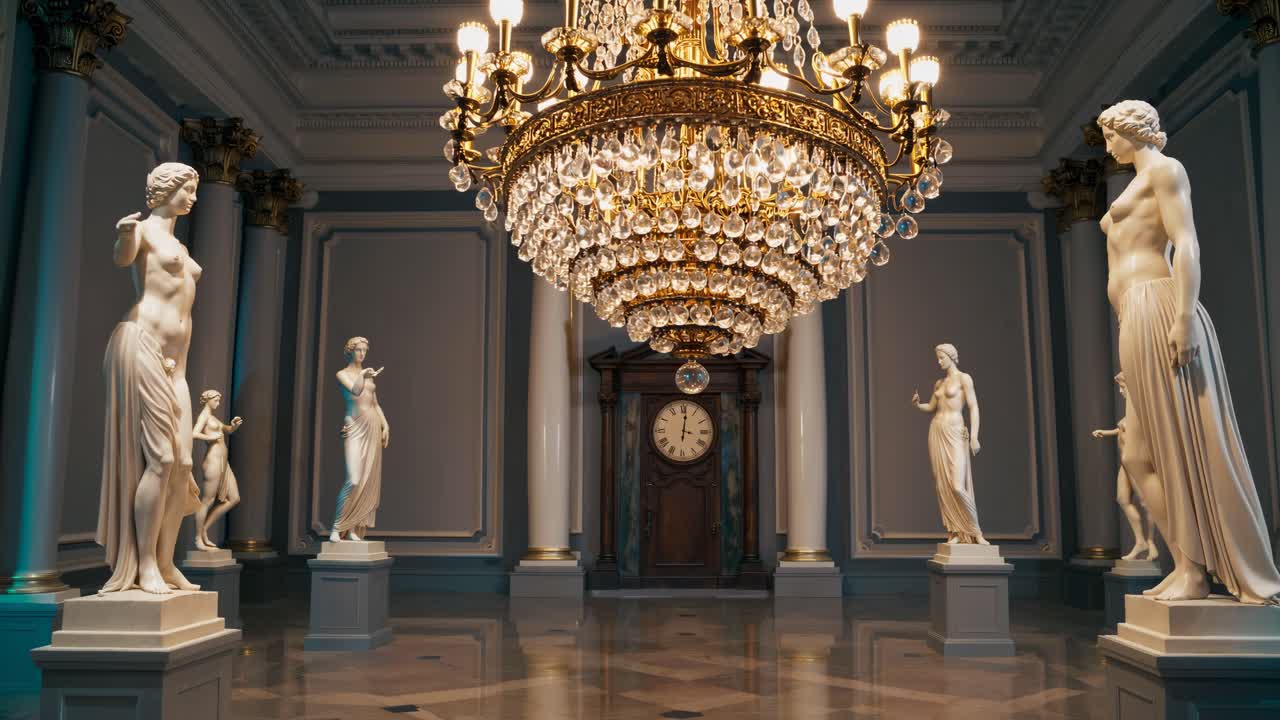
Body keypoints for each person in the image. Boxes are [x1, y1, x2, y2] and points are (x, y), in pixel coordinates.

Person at [1099, 99, 1280, 603]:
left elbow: (1186, 242)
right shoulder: (1137, 180)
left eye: (1111, 134)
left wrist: (1183, 317)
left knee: (1174, 443)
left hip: (1158, 306)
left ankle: (1195, 570)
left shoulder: (1165, 170)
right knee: (1138, 455)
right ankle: (1186, 564)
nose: (1107, 144)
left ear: (1133, 129)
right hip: (1132, 317)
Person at [98, 163, 203, 594]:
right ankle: (143, 565)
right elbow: (123, 257)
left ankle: (165, 561)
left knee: (183, 465)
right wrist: (125, 233)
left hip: (178, 364)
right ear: (164, 189)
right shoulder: (143, 231)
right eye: (186, 189)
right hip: (143, 345)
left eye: (195, 190)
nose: (192, 197)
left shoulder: (179, 243)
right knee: (160, 459)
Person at [912, 343, 988, 545]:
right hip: (937, 431)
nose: (939, 362)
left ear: (951, 356)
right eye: (937, 358)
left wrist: (974, 436)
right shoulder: (939, 383)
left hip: (955, 432)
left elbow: (973, 407)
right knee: (942, 485)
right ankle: (955, 531)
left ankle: (975, 531)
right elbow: (932, 406)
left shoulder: (964, 379)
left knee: (956, 485)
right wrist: (918, 404)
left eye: (941, 357)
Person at [1091, 373, 1159, 561]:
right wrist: (1105, 432)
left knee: (1146, 503)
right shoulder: (1130, 411)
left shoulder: (1142, 411)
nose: (1121, 391)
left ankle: (1152, 542)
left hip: (1136, 462)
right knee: (1122, 499)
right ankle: (1140, 541)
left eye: (1123, 387)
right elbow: (1121, 429)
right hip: (1125, 463)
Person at [330, 336, 389, 542]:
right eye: (358, 350)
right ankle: (337, 527)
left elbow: (374, 403)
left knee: (365, 479)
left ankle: (353, 528)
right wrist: (363, 375)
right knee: (353, 479)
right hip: (354, 426)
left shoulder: (369, 376)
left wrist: (385, 424)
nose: (362, 354)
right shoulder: (342, 374)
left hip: (372, 425)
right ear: (350, 351)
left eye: (365, 350)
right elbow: (356, 390)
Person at [191, 390, 242, 551]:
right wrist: (210, 438)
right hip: (212, 461)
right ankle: (198, 538)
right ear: (208, 400)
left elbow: (226, 429)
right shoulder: (204, 416)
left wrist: (233, 426)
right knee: (207, 500)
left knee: (234, 498)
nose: (218, 403)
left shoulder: (212, 417)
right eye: (216, 400)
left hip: (223, 463)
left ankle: (204, 529)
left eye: (219, 400)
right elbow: (194, 433)